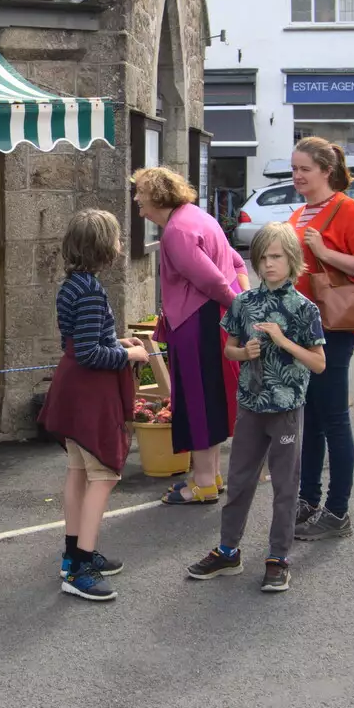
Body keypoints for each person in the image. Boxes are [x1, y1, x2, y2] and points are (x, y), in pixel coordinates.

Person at [186, 223, 325, 593]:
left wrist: (283, 341)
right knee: (240, 482)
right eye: (263, 257)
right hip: (250, 406)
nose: (269, 264)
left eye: (277, 256)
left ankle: (278, 557)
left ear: (292, 259)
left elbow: (319, 363)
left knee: (285, 487)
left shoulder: (303, 308)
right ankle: (228, 550)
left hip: (286, 409)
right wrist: (242, 352)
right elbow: (228, 348)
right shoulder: (244, 303)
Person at [36, 208, 149, 602]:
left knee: (78, 473)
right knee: (104, 475)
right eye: (118, 238)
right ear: (104, 248)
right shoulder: (90, 290)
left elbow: (83, 342)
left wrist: (118, 341)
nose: (121, 245)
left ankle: (73, 554)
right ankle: (80, 567)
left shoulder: (73, 285)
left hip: (74, 388)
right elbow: (89, 353)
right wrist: (131, 356)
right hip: (89, 394)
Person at [287, 137, 354, 540]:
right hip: (301, 326)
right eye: (294, 169)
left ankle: (338, 511)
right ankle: (309, 499)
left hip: (333, 328)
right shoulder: (299, 213)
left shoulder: (348, 211)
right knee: (310, 418)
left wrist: (326, 252)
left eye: (304, 170)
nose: (296, 176)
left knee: (333, 419)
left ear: (326, 171)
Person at [133, 167, 250, 505]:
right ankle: (210, 475)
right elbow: (234, 262)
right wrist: (238, 302)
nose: (137, 198)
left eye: (140, 191)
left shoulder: (177, 231)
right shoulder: (197, 217)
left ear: (156, 195)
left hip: (196, 321)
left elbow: (211, 280)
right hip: (210, 319)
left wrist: (238, 307)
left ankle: (202, 483)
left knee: (198, 402)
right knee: (210, 400)